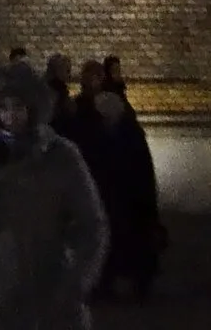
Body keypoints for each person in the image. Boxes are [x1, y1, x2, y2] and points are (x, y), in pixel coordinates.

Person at [0, 59, 107, 330]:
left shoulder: (61, 157)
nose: (10, 117)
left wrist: (76, 282)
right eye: (3, 108)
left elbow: (93, 224)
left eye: (18, 107)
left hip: (52, 297)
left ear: (34, 109)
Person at [81, 90, 161, 299]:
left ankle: (136, 282)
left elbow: (141, 168)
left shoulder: (128, 134)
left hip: (129, 198)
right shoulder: (108, 133)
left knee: (133, 241)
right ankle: (109, 282)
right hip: (114, 197)